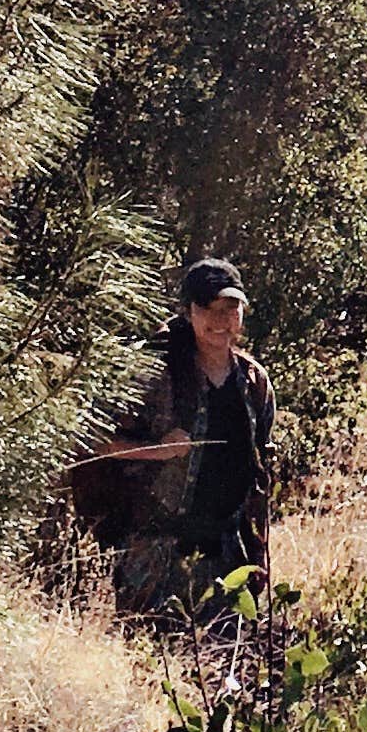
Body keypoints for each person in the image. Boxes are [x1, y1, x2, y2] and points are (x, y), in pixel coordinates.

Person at [70, 259, 278, 621]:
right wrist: (154, 451)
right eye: (207, 308)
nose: (220, 319)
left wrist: (257, 554)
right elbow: (88, 442)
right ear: (188, 312)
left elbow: (258, 478)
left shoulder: (254, 382)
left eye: (230, 308)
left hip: (228, 553)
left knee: (226, 665)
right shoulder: (153, 375)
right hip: (157, 557)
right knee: (156, 665)